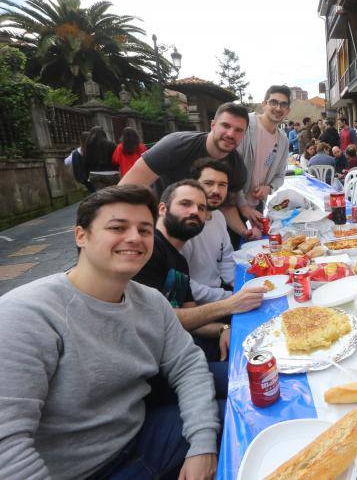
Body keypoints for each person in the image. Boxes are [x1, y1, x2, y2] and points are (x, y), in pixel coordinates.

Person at [0, 185, 220, 479]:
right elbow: (8, 445)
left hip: (141, 435)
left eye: (144, 230)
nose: (134, 238)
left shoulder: (151, 301)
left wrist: (202, 445)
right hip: (84, 471)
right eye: (117, 227)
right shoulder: (26, 314)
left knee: (241, 414)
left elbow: (188, 365)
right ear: (81, 236)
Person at [133, 180, 266, 363]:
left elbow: (191, 317)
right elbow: (156, 318)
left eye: (201, 208)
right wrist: (230, 304)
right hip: (156, 363)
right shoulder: (149, 250)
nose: (195, 211)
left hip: (181, 346)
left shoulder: (179, 262)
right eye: (185, 204)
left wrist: (222, 329)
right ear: (162, 209)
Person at [119, 101, 249, 199]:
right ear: (213, 125)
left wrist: (245, 230)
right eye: (225, 125)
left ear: (244, 134)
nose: (231, 134)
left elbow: (226, 207)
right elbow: (126, 188)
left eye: (238, 130)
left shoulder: (237, 168)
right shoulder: (176, 145)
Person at [233, 85, 291, 239]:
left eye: (283, 104)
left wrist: (269, 187)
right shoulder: (246, 125)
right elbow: (231, 167)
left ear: (288, 110)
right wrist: (242, 205)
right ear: (264, 104)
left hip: (256, 205)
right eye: (273, 102)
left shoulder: (283, 140)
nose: (278, 108)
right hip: (232, 203)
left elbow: (280, 175)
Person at [181, 158, 235, 303]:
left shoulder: (218, 216)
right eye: (208, 183)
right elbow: (182, 283)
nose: (216, 190)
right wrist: (229, 298)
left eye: (222, 185)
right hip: (196, 305)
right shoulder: (183, 225)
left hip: (221, 293)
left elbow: (227, 258)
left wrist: (238, 286)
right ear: (193, 185)